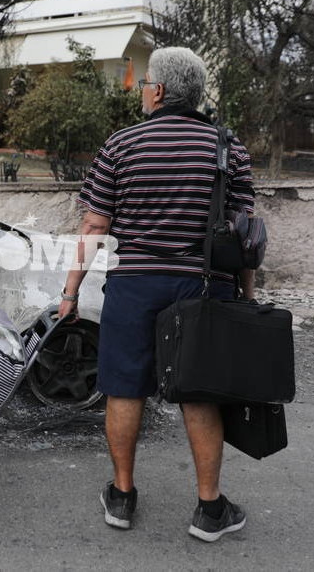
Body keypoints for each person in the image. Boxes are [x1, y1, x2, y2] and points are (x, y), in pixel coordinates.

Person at [58, 47, 255, 542]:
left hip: (133, 286)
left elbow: (94, 225)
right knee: (199, 392)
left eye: (145, 83)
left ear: (160, 91)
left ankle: (122, 497)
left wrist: (70, 292)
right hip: (204, 287)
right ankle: (210, 509)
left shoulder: (121, 145)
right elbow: (246, 236)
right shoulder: (228, 148)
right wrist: (246, 296)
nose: (142, 91)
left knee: (125, 388)